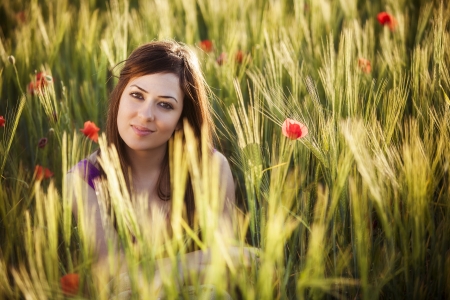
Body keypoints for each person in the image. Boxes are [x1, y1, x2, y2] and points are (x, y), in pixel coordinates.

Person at [66, 40, 251, 297]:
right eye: (137, 95)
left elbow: (230, 270)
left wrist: (146, 273)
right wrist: (192, 264)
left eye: (165, 104)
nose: (145, 115)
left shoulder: (210, 168)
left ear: (180, 120)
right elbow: (113, 280)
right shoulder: (84, 181)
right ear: (119, 96)